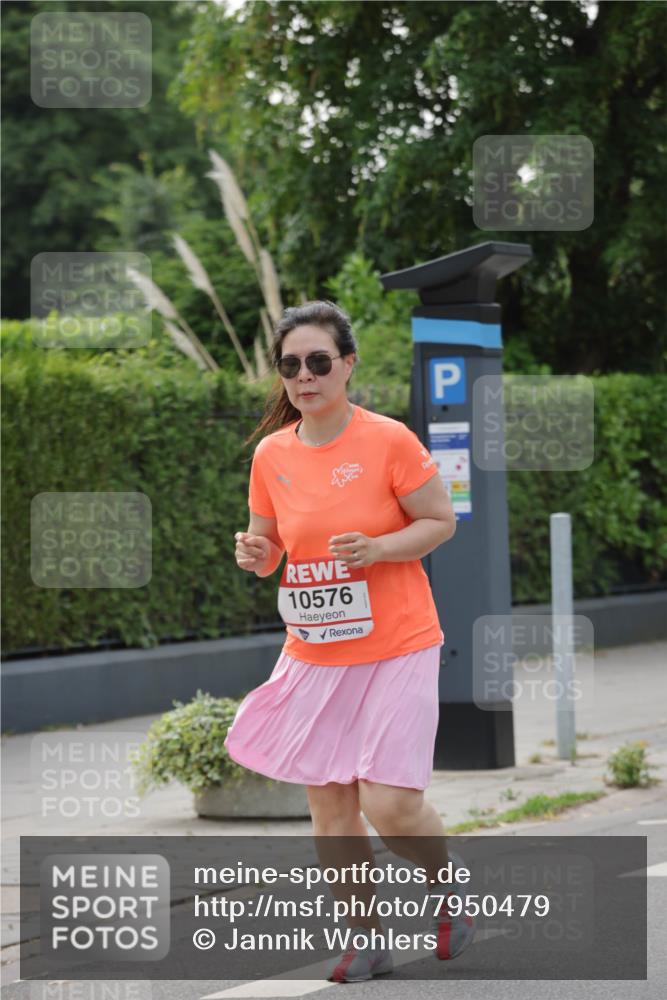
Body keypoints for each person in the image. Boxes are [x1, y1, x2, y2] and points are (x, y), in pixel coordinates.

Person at [226, 300, 476, 981]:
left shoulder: (387, 439)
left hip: (397, 640)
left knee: (389, 805)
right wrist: (255, 554)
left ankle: (448, 885)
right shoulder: (270, 454)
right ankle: (364, 938)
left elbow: (438, 521)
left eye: (317, 361)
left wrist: (379, 548)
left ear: (347, 364)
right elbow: (271, 547)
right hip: (314, 649)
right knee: (332, 806)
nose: (303, 376)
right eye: (289, 366)